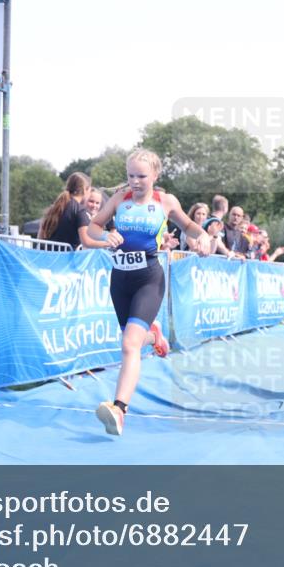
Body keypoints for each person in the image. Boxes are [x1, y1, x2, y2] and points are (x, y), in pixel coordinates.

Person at [86, 149, 212, 436]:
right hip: (120, 280)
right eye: (130, 175)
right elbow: (92, 228)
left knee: (129, 346)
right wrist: (106, 235)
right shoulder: (119, 200)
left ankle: (119, 409)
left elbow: (190, 226)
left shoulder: (165, 202)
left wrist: (202, 236)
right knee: (134, 340)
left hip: (148, 279)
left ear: (155, 175)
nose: (135, 181)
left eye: (142, 176)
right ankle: (155, 335)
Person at [38, 172, 109, 250]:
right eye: (89, 189)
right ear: (85, 190)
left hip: (48, 256)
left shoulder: (55, 207)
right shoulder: (80, 210)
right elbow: (86, 242)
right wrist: (107, 244)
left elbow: (40, 235)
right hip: (67, 259)